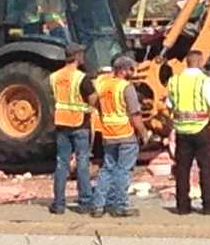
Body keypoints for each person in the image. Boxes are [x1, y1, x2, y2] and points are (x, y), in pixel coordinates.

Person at [89, 55, 148, 218]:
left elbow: (94, 102)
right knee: (123, 171)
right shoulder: (126, 87)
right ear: (123, 70)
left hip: (108, 133)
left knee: (107, 169)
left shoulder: (103, 85)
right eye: (131, 69)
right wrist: (143, 133)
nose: (133, 73)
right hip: (125, 134)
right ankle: (120, 206)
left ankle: (98, 205)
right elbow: (135, 114)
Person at [167, 50, 210, 215]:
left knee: (182, 169)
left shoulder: (174, 81)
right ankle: (209, 205)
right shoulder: (204, 80)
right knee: (206, 168)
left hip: (182, 131)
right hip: (201, 129)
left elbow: (169, 105)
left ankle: (182, 206)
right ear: (200, 61)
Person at [49, 42, 95, 215]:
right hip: (79, 123)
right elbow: (92, 97)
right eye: (81, 54)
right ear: (76, 56)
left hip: (62, 123)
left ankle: (59, 204)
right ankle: (85, 202)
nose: (83, 57)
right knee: (82, 162)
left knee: (62, 163)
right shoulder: (81, 77)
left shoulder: (54, 77)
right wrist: (92, 106)